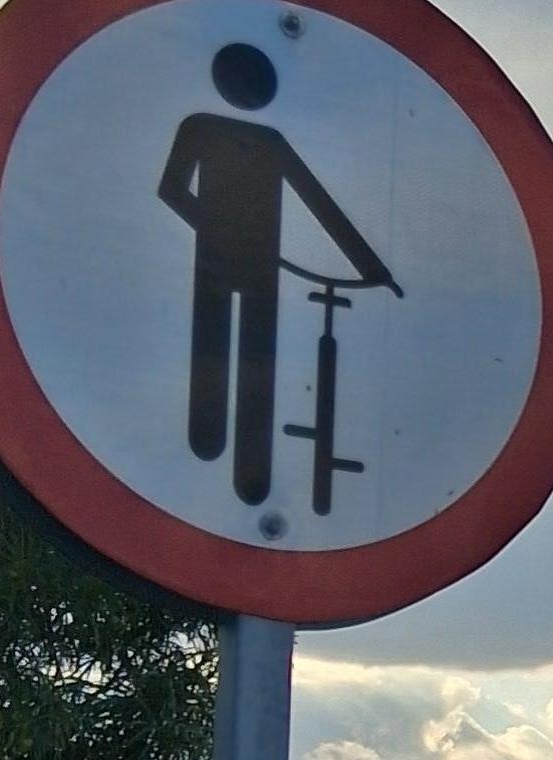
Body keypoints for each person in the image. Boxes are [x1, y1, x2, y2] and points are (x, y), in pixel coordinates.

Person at [157, 41, 398, 506]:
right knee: (210, 351)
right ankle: (204, 441)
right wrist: (216, 227)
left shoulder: (270, 142)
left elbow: (321, 204)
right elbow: (172, 189)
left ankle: (252, 477)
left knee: (258, 366)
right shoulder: (200, 128)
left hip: (263, 267)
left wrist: (373, 268)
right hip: (215, 261)